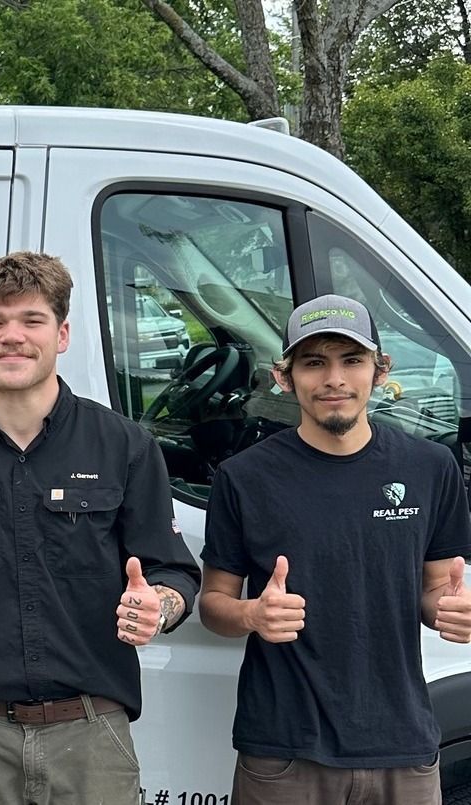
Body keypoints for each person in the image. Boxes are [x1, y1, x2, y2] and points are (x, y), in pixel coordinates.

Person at [0, 251, 201, 805]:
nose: (12, 337)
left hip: (92, 731)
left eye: (32, 320)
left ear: (63, 333)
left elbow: (172, 570)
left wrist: (162, 605)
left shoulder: (125, 446)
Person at [198, 294, 471, 804]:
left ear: (379, 368)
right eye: (314, 362)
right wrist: (253, 614)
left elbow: (436, 590)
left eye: (352, 360)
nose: (334, 379)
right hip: (284, 753)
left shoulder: (430, 468)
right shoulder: (244, 478)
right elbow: (214, 603)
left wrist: (450, 611)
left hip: (402, 748)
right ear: (285, 376)